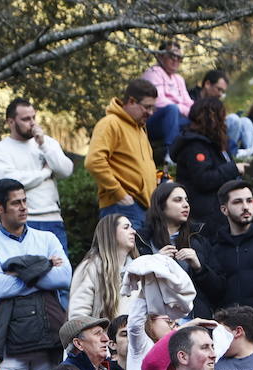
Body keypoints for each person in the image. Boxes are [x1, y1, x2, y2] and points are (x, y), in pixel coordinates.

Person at [0, 178, 72, 370]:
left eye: (25, 201)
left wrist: (17, 273)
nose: (24, 207)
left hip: (48, 337)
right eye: (16, 203)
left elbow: (64, 277)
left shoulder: (46, 238)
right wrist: (44, 266)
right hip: (9, 342)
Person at [0, 98, 74, 252]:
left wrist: (43, 145)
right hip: (22, 222)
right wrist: (45, 173)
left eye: (34, 117)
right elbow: (10, 183)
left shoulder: (47, 143)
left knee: (59, 273)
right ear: (10, 122)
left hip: (52, 218)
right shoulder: (0, 149)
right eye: (26, 119)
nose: (33, 123)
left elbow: (66, 170)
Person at [136, 182, 225, 319]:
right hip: (155, 323)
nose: (186, 205)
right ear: (161, 206)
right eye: (178, 200)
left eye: (186, 200)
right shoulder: (143, 241)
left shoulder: (198, 240)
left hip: (194, 322)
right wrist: (155, 262)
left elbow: (219, 290)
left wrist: (199, 268)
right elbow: (134, 287)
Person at [86, 79, 159, 230]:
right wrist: (120, 194)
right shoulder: (110, 123)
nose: (150, 113)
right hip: (121, 208)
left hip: (143, 209)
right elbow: (94, 161)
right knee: (123, 255)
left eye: (153, 108)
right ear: (131, 101)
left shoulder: (140, 128)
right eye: (147, 107)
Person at [207, 180, 253, 316]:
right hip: (230, 328)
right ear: (224, 209)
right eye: (238, 202)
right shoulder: (216, 249)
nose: (245, 207)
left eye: (249, 201)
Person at [170, 98, 241, 232]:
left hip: (217, 216)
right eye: (221, 117)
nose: (224, 122)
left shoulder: (213, 143)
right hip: (205, 220)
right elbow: (204, 179)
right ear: (211, 118)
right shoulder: (194, 146)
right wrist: (234, 169)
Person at [69, 214, 138, 322]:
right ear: (111, 234)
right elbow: (78, 316)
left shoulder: (139, 269)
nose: (133, 231)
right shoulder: (90, 268)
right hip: (101, 337)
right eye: (126, 227)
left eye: (131, 227)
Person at [141, 40, 193, 153]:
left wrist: (199, 111)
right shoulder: (153, 73)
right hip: (153, 120)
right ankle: (171, 152)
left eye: (179, 58)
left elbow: (188, 101)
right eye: (172, 56)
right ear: (160, 56)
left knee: (202, 117)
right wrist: (183, 109)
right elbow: (158, 101)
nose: (176, 60)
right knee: (171, 109)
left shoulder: (178, 78)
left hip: (177, 118)